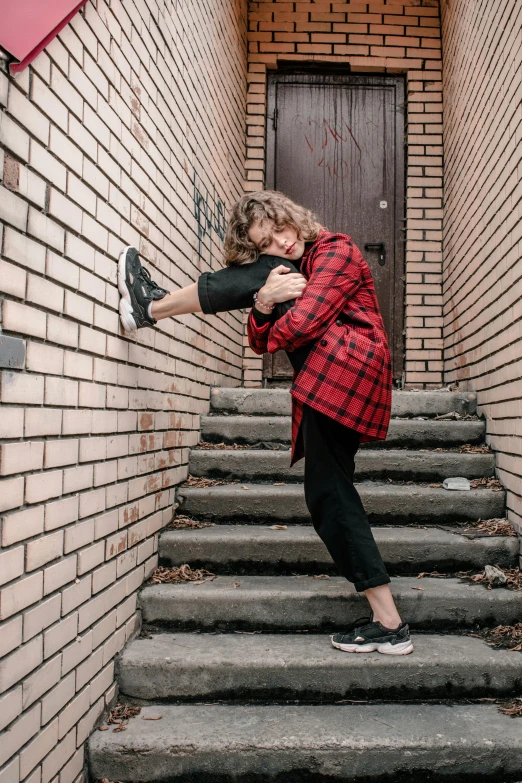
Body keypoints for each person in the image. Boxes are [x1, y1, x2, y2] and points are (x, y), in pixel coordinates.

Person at [118, 190, 414, 656]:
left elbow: (295, 327)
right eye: (267, 242)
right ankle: (387, 618)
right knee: (328, 492)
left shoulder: (336, 249)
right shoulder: (294, 267)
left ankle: (151, 307)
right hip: (329, 382)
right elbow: (261, 342)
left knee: (330, 494)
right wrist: (262, 301)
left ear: (294, 218)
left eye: (281, 228)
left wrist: (264, 298)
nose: (282, 242)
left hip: (346, 374)